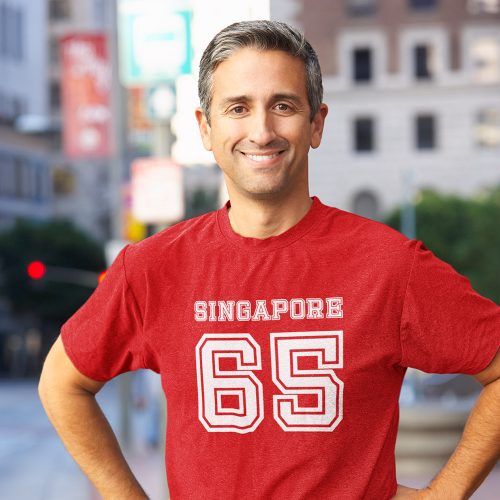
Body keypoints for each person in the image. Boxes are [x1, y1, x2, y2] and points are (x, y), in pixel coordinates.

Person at [39, 20, 500, 500]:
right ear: (206, 127)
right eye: (238, 108)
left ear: (316, 123)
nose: (261, 131)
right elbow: (61, 384)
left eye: (283, 106)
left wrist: (445, 493)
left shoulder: (388, 264)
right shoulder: (153, 268)